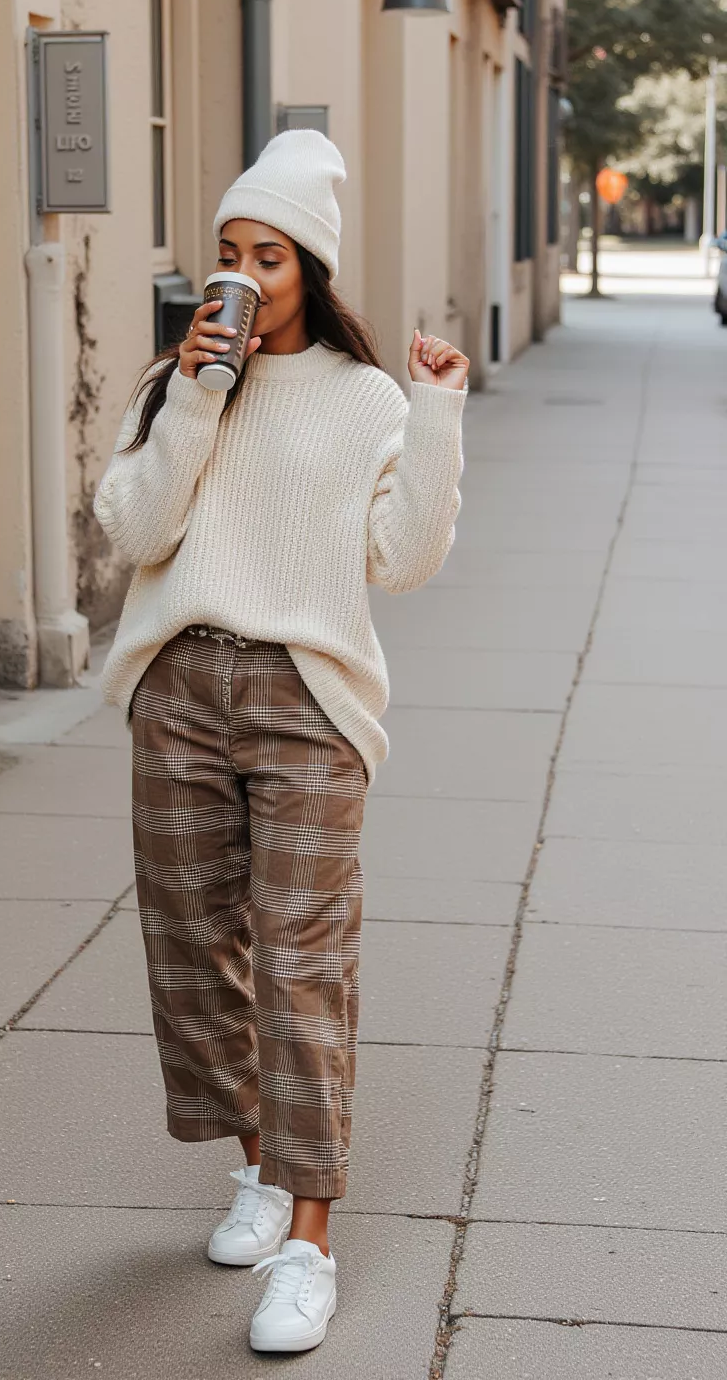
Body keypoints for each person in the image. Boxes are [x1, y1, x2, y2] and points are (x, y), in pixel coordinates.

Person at [94, 129, 468, 1354]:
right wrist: (197, 389)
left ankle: (309, 1239)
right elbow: (137, 530)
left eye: (267, 254)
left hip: (310, 700)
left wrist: (439, 409)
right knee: (193, 952)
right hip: (183, 690)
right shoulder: (182, 380)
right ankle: (259, 1167)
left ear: (308, 265)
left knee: (303, 967)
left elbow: (403, 561)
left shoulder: (364, 399)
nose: (242, 275)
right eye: (227, 253)